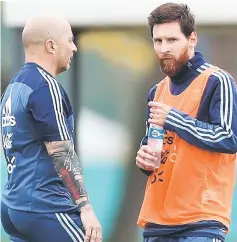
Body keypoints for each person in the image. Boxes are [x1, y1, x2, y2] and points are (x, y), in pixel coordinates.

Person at [135, 3, 237, 242]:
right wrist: (144, 160)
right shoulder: (156, 91)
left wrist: (174, 118)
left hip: (201, 219)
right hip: (157, 221)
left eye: (172, 40)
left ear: (192, 39)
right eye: (158, 41)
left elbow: (228, 137)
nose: (164, 48)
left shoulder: (217, 80)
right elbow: (156, 146)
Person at [1, 14, 102, 242]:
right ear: (51, 45)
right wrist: (85, 209)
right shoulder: (45, 86)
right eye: (70, 40)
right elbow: (61, 152)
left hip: (13, 208)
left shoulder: (13, 88)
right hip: (44, 207)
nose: (74, 48)